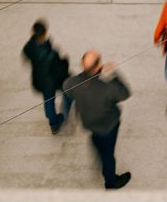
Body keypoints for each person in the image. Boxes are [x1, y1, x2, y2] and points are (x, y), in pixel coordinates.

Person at [65, 50, 132, 189]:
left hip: (89, 123)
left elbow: (67, 88)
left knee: (97, 141)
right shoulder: (108, 87)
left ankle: (99, 152)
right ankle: (111, 182)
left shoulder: (73, 83)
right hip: (108, 126)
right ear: (97, 66)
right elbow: (125, 93)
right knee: (108, 155)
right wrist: (113, 75)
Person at [21, 19, 72, 133]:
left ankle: (53, 124)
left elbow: (27, 56)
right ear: (44, 33)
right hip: (53, 80)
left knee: (48, 100)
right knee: (68, 91)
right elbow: (60, 67)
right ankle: (64, 114)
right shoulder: (51, 53)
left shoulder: (28, 46)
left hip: (40, 80)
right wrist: (65, 61)